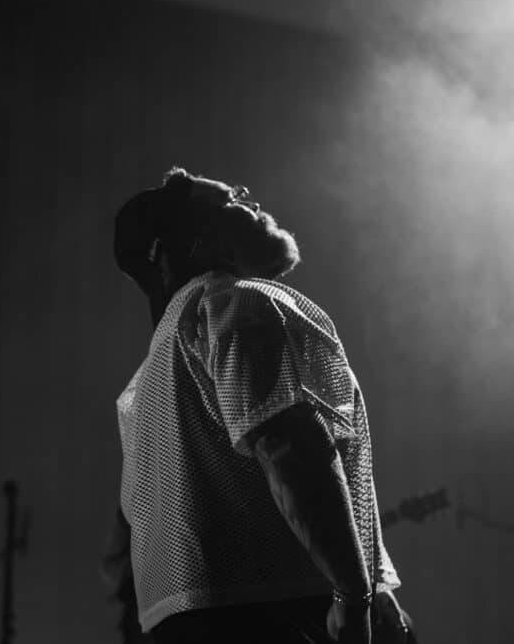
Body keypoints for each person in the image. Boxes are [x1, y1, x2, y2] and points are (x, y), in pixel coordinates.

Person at [106, 167, 415, 644]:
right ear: (202, 240)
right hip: (283, 617)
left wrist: (375, 583)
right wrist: (353, 596)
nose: (249, 197)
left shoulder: (147, 381)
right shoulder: (241, 306)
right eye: (230, 199)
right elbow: (289, 451)